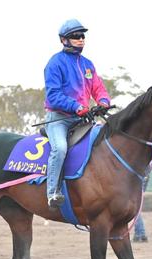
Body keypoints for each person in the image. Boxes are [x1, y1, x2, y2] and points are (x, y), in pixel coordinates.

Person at [44, 19, 111, 208]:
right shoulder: (55, 63)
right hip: (58, 119)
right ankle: (52, 193)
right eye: (76, 36)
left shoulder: (88, 64)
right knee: (60, 149)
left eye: (82, 36)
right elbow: (53, 95)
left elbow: (98, 88)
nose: (81, 39)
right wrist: (76, 107)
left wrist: (104, 101)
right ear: (64, 40)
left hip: (82, 119)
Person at [133, 176, 149, 242]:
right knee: (136, 209)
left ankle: (139, 234)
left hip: (138, 177)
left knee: (136, 209)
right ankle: (141, 234)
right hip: (143, 177)